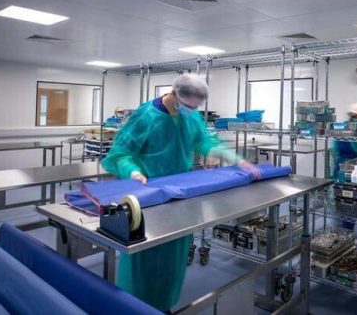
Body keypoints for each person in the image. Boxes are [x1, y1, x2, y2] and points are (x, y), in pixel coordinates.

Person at [102, 73, 260, 311]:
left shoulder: (191, 116)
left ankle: (164, 304)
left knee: (173, 256)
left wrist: (233, 158)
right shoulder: (146, 116)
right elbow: (118, 155)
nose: (191, 111)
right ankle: (133, 305)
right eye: (188, 106)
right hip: (148, 195)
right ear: (174, 94)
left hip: (180, 195)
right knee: (144, 254)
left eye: (195, 107)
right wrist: (133, 172)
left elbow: (205, 142)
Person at [332, 104, 357, 232]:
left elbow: (335, 149)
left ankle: (341, 229)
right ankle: (348, 233)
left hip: (340, 166)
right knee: (351, 198)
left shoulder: (342, 127)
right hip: (352, 169)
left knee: (341, 196)